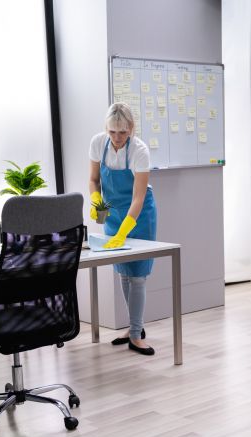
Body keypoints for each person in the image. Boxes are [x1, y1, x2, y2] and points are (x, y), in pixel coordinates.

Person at [89, 103, 158, 356]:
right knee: (124, 273)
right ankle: (134, 328)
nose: (117, 138)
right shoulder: (98, 143)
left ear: (131, 129)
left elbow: (138, 197)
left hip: (139, 215)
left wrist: (124, 231)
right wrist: (96, 201)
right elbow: (93, 180)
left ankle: (136, 335)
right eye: (112, 132)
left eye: (122, 132)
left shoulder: (139, 150)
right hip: (113, 214)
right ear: (106, 129)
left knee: (137, 274)